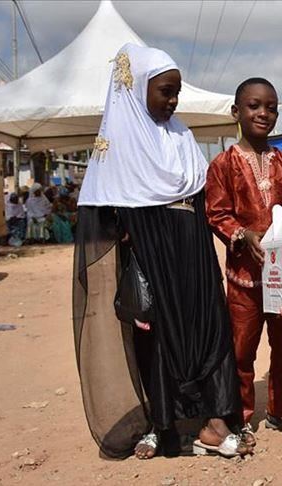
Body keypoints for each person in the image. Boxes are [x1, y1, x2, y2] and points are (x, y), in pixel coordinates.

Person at [73, 43, 245, 461]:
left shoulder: (181, 135)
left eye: (177, 93)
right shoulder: (117, 144)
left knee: (208, 326)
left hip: (193, 247)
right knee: (160, 336)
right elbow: (100, 213)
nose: (173, 101)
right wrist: (126, 232)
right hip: (152, 254)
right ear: (137, 90)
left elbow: (199, 196)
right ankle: (161, 424)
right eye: (165, 92)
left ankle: (216, 419)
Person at [205, 78, 282, 438]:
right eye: (254, 106)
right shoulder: (223, 163)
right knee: (240, 349)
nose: (264, 113)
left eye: (271, 107)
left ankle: (280, 409)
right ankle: (242, 415)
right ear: (237, 111)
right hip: (244, 278)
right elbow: (216, 213)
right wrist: (243, 234)